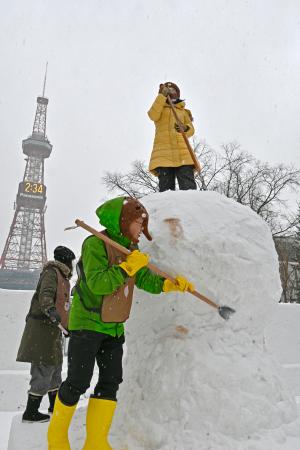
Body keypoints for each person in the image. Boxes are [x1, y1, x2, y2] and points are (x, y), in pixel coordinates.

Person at [47, 196, 194, 450]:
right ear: (124, 222)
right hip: (88, 324)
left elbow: (145, 279)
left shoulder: (131, 250)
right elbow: (98, 283)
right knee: (77, 381)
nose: (140, 229)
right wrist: (126, 268)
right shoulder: (95, 243)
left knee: (110, 381)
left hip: (113, 325)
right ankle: (56, 439)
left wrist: (168, 284)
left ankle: (96, 442)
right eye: (138, 223)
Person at [17, 246, 75, 423]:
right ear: (65, 261)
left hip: (53, 330)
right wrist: (50, 311)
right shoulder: (52, 273)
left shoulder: (62, 277)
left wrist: (65, 326)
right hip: (42, 330)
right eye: (71, 261)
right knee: (43, 369)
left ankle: (54, 405)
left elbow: (62, 305)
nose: (72, 265)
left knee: (55, 368)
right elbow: (46, 295)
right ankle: (31, 412)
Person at [148, 81, 198, 192]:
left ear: (178, 93)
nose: (171, 91)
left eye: (173, 90)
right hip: (163, 153)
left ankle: (191, 208)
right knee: (166, 189)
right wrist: (161, 96)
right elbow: (152, 115)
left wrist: (185, 128)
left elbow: (191, 129)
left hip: (183, 153)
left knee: (188, 187)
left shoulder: (183, 111)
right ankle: (168, 209)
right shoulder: (160, 108)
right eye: (168, 90)